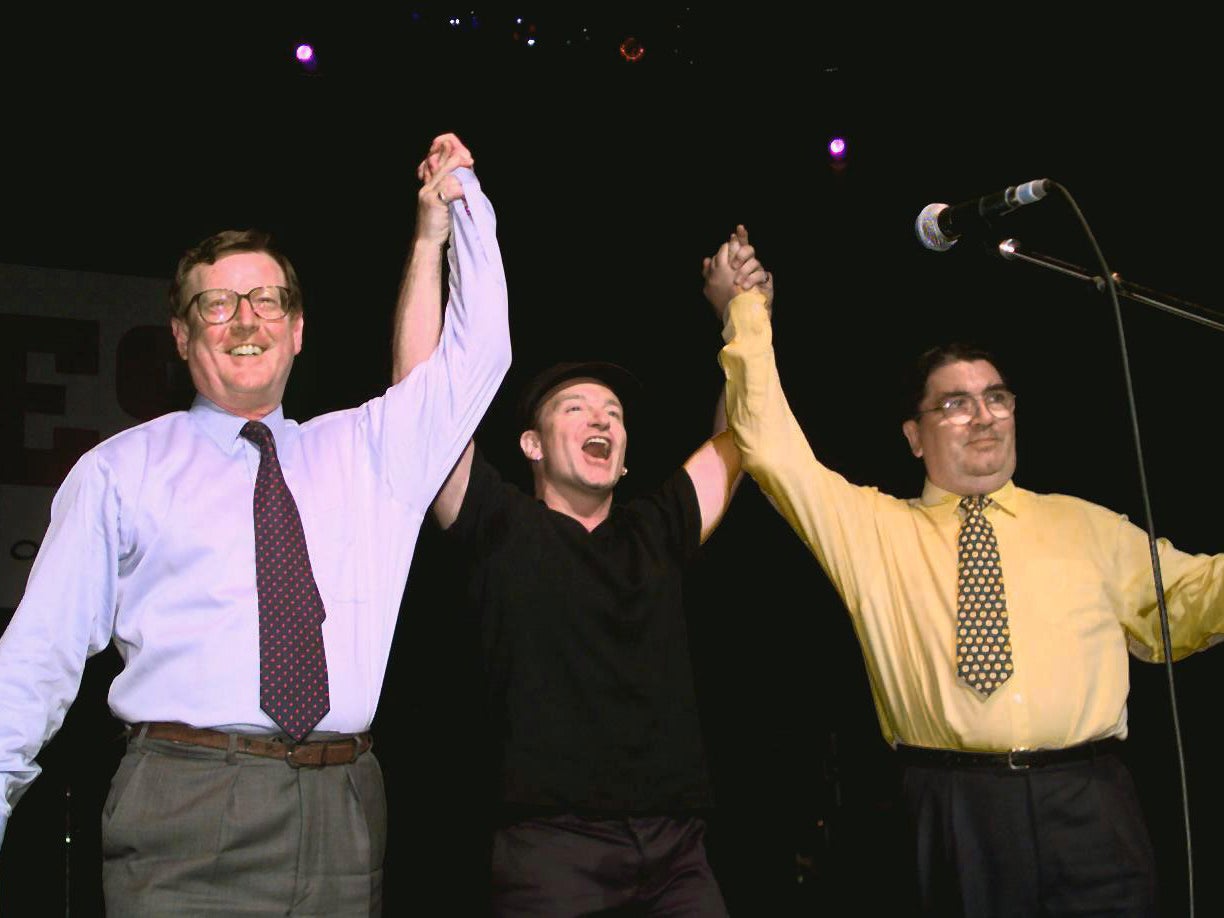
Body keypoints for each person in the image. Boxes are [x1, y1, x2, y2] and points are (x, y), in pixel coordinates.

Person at [0, 134, 510, 914]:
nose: (246, 320)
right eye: (217, 303)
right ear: (182, 335)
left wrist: (453, 214)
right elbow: (38, 655)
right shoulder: (120, 469)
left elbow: (479, 358)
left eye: (267, 300)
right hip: (185, 806)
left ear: (298, 329)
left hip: (345, 811)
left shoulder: (370, 452)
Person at [712, 228, 1224, 916]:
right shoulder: (873, 529)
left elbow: (1191, 603)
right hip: (956, 811)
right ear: (914, 435)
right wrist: (747, 311)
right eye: (954, 403)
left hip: (1093, 806)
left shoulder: (1089, 525)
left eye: (997, 397)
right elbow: (769, 446)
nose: (983, 416)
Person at [393, 197, 768, 913]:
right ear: (531, 445)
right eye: (576, 408)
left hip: (678, 854)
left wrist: (747, 315)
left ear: (625, 459)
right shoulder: (501, 524)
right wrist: (429, 240)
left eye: (615, 415)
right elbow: (419, 404)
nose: (601, 417)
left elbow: (740, 439)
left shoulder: (656, 528)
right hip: (551, 855)